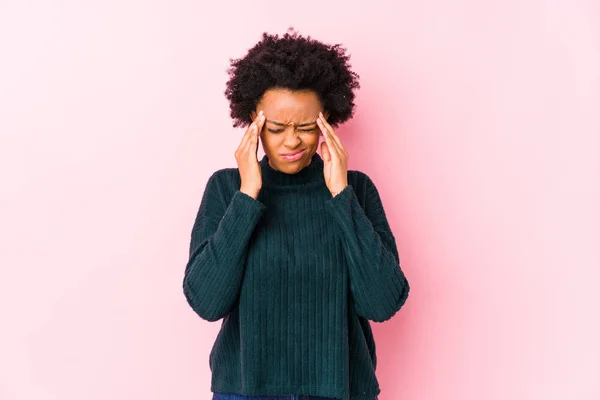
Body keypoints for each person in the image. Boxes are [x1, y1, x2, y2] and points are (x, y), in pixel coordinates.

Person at [183, 28, 410, 400]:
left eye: (306, 127)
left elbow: (382, 303)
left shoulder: (357, 190)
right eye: (276, 128)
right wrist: (247, 196)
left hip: (342, 391)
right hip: (244, 392)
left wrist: (341, 196)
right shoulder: (227, 190)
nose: (292, 141)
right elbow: (207, 302)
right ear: (253, 122)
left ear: (326, 122)